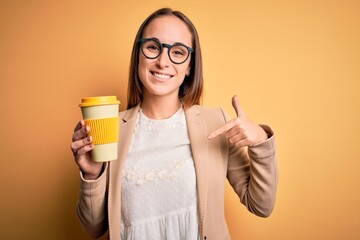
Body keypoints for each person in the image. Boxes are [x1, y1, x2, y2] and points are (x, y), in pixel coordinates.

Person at [71, 7, 278, 240]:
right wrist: (91, 174)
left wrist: (261, 141)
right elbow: (93, 228)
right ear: (138, 53)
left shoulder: (215, 123)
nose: (163, 61)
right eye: (152, 47)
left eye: (178, 52)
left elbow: (261, 205)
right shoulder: (111, 127)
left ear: (190, 65)